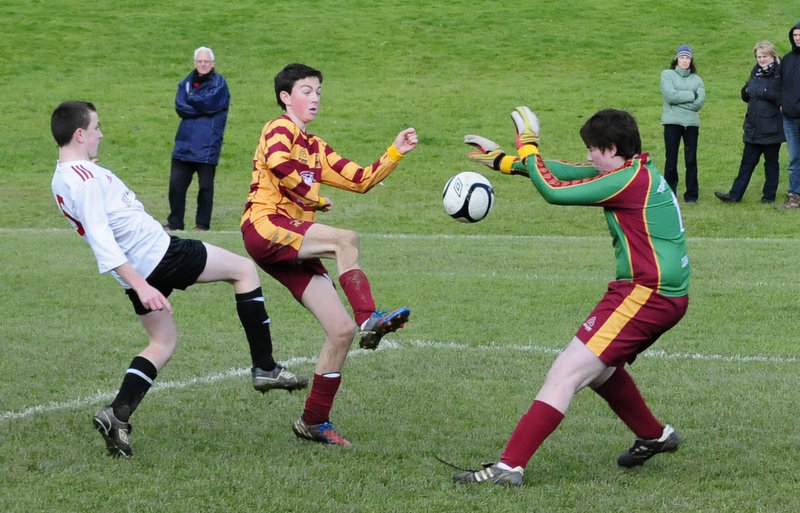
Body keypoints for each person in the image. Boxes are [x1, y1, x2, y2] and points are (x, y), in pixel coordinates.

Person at [50, 101, 307, 459]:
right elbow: (101, 239)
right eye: (96, 127)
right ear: (80, 134)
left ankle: (117, 413)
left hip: (140, 268)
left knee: (162, 342)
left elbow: (95, 205)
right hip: (159, 255)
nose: (101, 133)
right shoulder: (88, 180)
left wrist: (137, 281)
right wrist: (142, 285)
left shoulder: (64, 176)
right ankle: (265, 367)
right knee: (244, 270)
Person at [453, 107, 690, 486]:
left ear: (611, 149)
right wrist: (502, 160)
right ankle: (654, 435)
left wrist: (527, 142)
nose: (589, 157)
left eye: (593, 150)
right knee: (601, 370)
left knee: (565, 372)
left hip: (647, 294)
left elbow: (552, 191)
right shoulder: (633, 169)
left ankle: (509, 467)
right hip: (655, 293)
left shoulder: (627, 181)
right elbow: (561, 172)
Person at [240, 63, 418, 447]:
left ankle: (313, 421)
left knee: (340, 331)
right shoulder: (279, 128)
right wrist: (314, 197)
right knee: (346, 238)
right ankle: (370, 316)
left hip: (293, 241)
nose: (315, 98)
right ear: (286, 97)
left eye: (319, 91)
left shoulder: (316, 148)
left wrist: (394, 153)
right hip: (265, 225)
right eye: (306, 90)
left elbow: (361, 179)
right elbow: (277, 165)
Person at [164, 46, 230, 231]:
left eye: (206, 61)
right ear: (194, 63)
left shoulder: (219, 84)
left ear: (213, 63)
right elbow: (180, 107)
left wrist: (192, 100)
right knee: (176, 187)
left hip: (207, 146)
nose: (203, 64)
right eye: (200, 61)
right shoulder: (185, 83)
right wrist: (199, 105)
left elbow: (211, 103)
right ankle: (175, 223)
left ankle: (202, 225)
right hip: (183, 145)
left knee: (205, 188)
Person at [715, 41, 783, 204]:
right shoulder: (756, 71)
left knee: (771, 164)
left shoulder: (779, 73)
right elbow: (747, 92)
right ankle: (734, 195)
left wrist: (761, 91)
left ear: (772, 55)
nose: (761, 60)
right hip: (753, 126)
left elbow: (779, 96)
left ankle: (769, 197)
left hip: (771, 127)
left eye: (764, 56)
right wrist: (747, 92)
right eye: (758, 57)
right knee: (746, 162)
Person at [661, 44, 705, 203]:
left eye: (687, 58)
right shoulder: (667, 75)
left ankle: (692, 195)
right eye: (682, 57)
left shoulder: (697, 79)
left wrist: (679, 100)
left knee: (691, 159)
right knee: (671, 159)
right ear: (676, 59)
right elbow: (670, 96)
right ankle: (670, 193)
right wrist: (691, 95)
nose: (685, 60)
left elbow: (699, 103)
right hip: (672, 122)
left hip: (691, 124)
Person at [779, 22, 800, 209]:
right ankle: (794, 195)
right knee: (794, 158)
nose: (798, 38)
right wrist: (781, 103)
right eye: (795, 35)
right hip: (790, 117)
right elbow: (780, 84)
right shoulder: (787, 59)